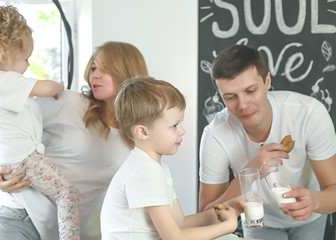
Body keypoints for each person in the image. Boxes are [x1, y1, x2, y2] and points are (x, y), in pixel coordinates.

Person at [0, 41, 149, 239]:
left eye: (106, 70)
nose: (95, 74)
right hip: (18, 217)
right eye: (94, 67)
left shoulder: (136, 136)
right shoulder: (68, 101)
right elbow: (2, 128)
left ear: (127, 74)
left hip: (59, 233)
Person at [198, 44, 336, 240]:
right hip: (258, 220)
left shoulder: (309, 113)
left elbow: (333, 189)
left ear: (267, 81)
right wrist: (253, 170)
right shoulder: (215, 134)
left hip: (311, 216)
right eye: (230, 97)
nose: (243, 105)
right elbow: (206, 216)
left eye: (251, 90)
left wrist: (314, 201)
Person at [0, 5, 80, 240]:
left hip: (9, 164)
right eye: (26, 59)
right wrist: (60, 86)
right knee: (66, 191)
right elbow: (47, 87)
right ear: (4, 58)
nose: (29, 65)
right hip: (21, 161)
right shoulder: (6, 81)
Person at [101, 76, 239, 240]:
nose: (182, 131)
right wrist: (227, 227)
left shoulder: (155, 167)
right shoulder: (144, 172)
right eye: (174, 125)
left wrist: (228, 208)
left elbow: (180, 223)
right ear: (143, 132)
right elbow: (175, 237)